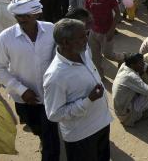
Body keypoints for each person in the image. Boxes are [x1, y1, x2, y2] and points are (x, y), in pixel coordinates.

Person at [0, 0, 60, 161]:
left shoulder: (52, 30)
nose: (22, 19)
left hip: (49, 96)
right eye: (18, 16)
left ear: (37, 13)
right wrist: (22, 90)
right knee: (36, 127)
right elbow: (0, 68)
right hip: (24, 99)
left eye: (26, 15)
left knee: (50, 134)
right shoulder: (5, 37)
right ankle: (42, 138)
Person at [43, 19, 112, 161]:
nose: (86, 39)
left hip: (102, 123)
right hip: (82, 135)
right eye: (81, 37)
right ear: (65, 42)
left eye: (86, 34)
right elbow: (54, 114)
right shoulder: (55, 76)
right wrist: (87, 101)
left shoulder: (84, 52)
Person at [85, 0, 124, 76]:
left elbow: (118, 14)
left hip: (107, 31)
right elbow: (88, 12)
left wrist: (111, 30)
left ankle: (123, 58)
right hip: (93, 31)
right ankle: (99, 77)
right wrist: (88, 27)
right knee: (95, 57)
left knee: (108, 55)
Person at [112, 53, 148, 127]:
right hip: (125, 114)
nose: (143, 65)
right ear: (132, 65)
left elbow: (144, 66)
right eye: (141, 63)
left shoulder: (125, 65)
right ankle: (135, 116)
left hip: (121, 107)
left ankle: (138, 110)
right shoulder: (131, 77)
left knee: (145, 85)